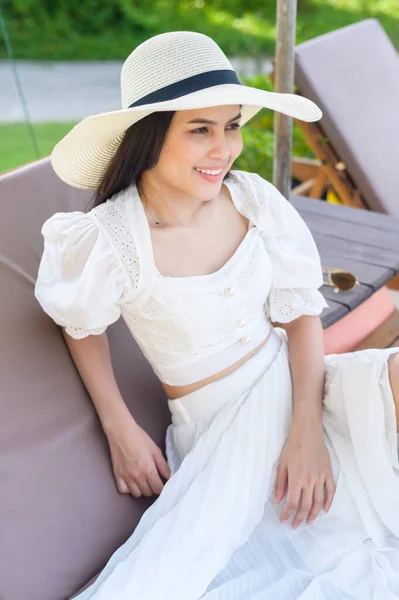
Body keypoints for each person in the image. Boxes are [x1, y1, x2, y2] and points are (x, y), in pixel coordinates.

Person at [34, 31, 399, 600]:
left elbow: (301, 315)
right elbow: (81, 326)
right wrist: (119, 425)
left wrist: (306, 431)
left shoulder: (252, 199)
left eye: (231, 126)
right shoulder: (108, 239)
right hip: (224, 430)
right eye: (200, 130)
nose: (224, 149)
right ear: (149, 138)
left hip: (303, 389)